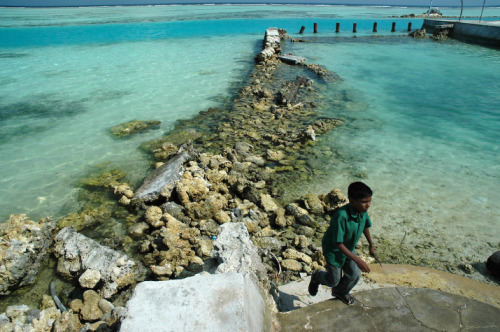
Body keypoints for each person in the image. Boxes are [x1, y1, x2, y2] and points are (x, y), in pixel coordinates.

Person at [308, 181, 376, 305]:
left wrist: (371, 245)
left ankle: (340, 291)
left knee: (355, 275)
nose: (368, 205)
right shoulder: (341, 216)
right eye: (364, 202)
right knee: (333, 280)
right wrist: (357, 260)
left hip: (348, 247)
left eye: (369, 201)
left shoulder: (362, 212)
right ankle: (317, 277)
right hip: (334, 250)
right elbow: (337, 243)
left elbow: (366, 225)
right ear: (351, 201)